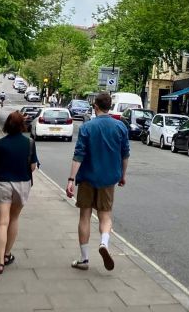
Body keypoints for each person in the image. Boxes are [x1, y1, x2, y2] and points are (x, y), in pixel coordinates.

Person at [65, 92, 130, 271]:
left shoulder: (87, 127)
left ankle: (84, 259)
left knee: (84, 216)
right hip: (109, 179)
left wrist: (71, 179)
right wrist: (123, 175)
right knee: (105, 216)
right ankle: (104, 243)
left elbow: (78, 155)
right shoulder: (120, 127)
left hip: (87, 178)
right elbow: (125, 155)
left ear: (95, 107)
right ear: (110, 107)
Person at [0, 110, 39, 274]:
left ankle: (0, 262)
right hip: (22, 185)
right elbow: (33, 166)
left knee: (2, 222)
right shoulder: (29, 143)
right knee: (14, 219)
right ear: (22, 126)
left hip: (2, 185)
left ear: (7, 125)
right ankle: (7, 254)